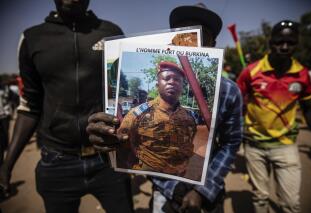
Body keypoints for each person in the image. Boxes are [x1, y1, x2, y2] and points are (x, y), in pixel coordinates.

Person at [86, 3, 243, 213]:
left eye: (199, 35)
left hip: (208, 193)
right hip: (164, 192)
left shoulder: (227, 92)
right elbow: (135, 149)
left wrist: (203, 191)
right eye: (183, 35)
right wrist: (109, 141)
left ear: (212, 44)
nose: (190, 41)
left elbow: (230, 142)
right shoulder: (139, 112)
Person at [0, 1, 133, 212]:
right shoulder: (32, 38)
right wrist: (6, 166)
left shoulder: (112, 32)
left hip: (108, 159)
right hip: (56, 160)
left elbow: (126, 96)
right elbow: (29, 107)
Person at [237, 20, 311, 213]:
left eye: (290, 42)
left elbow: (309, 109)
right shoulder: (251, 72)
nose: (284, 47)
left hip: (286, 146)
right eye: (279, 42)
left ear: (296, 43)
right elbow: (238, 106)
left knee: (290, 203)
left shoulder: (302, 74)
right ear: (270, 42)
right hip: (254, 146)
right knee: (260, 198)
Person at [117, 61, 197, 176]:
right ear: (157, 85)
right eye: (167, 78)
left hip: (180, 175)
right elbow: (122, 143)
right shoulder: (138, 114)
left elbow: (190, 143)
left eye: (177, 80)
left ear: (182, 87)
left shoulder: (189, 117)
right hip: (148, 174)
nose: (172, 82)